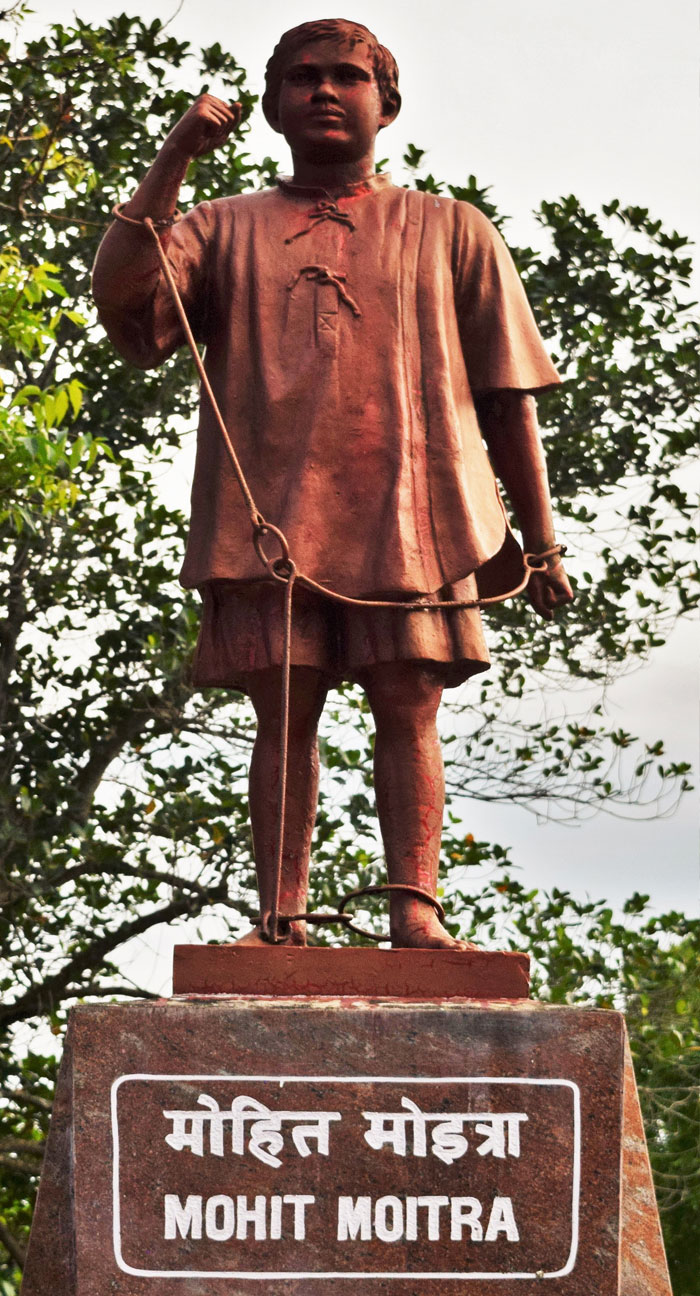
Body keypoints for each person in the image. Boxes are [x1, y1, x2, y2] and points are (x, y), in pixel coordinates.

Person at [92, 18, 573, 950]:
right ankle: (280, 919)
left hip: (414, 512)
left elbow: (508, 394)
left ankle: (416, 912)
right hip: (269, 514)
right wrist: (175, 154)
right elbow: (123, 297)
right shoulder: (221, 227)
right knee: (284, 709)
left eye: (348, 76)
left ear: (385, 104)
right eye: (302, 77)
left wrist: (542, 540)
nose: (324, 90)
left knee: (408, 705)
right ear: (270, 107)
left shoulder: (448, 228)